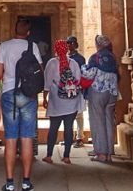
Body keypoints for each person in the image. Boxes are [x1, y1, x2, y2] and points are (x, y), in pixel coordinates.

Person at [0, 19, 43, 191]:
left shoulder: (5, 46)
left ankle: (9, 184)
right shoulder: (33, 46)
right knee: (27, 138)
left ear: (14, 30)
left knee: (10, 139)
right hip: (28, 95)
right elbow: (39, 71)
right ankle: (26, 183)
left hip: (10, 93)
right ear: (28, 33)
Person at [41, 39, 84, 164]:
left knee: (53, 128)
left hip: (57, 101)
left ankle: (49, 155)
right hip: (72, 101)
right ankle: (66, 156)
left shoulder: (52, 63)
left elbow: (47, 83)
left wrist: (45, 98)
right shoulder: (73, 63)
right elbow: (78, 80)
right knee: (69, 128)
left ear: (56, 49)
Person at [80, 34, 120, 163]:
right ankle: (109, 152)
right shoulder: (113, 57)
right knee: (109, 121)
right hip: (112, 92)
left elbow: (89, 73)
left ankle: (101, 153)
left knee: (98, 121)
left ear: (98, 45)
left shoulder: (95, 57)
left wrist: (82, 68)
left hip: (98, 91)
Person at [66, 36, 87, 148]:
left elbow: (82, 73)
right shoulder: (64, 58)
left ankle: (79, 137)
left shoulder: (80, 59)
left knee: (78, 114)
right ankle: (69, 137)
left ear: (75, 44)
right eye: (68, 43)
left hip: (77, 87)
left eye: (71, 43)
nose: (69, 45)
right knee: (67, 113)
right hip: (66, 88)